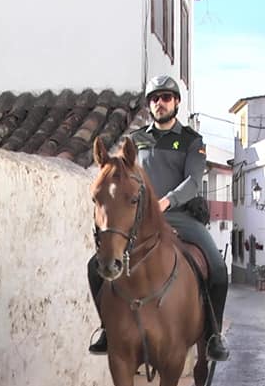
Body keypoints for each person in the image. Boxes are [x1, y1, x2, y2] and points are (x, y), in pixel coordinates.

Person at [87, 75, 230, 362]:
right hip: (142, 219)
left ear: (176, 102)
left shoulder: (191, 140)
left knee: (217, 268)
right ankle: (107, 328)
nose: (159, 103)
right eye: (154, 99)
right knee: (95, 266)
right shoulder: (136, 141)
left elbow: (192, 180)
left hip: (180, 217)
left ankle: (214, 334)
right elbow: (122, 175)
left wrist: (167, 201)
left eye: (165, 98)